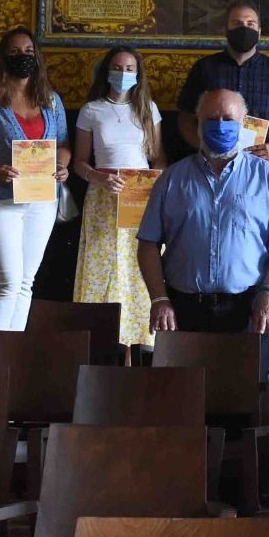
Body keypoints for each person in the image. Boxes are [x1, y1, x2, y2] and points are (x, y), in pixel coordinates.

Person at [138, 90, 269, 378]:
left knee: (244, 403)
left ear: (243, 124)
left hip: (249, 310)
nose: (220, 125)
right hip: (184, 313)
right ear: (197, 124)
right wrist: (159, 299)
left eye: (229, 119)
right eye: (211, 119)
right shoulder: (171, 179)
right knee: (184, 403)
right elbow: (148, 244)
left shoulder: (267, 177)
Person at [0, 28, 71, 332]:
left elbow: (63, 145)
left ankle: (13, 355)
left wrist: (62, 166)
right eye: (16, 52)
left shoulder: (52, 101)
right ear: (4, 57)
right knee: (7, 280)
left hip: (43, 199)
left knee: (25, 283)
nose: (23, 57)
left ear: (37, 56)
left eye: (29, 52)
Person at [71, 47, 167, 356]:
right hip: (103, 198)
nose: (123, 73)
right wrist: (98, 178)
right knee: (104, 266)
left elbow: (158, 158)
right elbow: (79, 162)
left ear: (137, 74)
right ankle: (104, 341)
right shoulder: (92, 111)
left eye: (129, 68)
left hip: (140, 199)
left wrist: (154, 184)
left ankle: (138, 342)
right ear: (106, 71)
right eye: (117, 67)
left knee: (138, 266)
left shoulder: (148, 109)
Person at [177, 1, 269, 160]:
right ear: (226, 30)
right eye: (237, 23)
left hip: (263, 166)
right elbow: (186, 117)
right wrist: (204, 147)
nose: (244, 28)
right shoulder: (204, 68)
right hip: (211, 165)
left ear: (259, 32)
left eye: (250, 23)